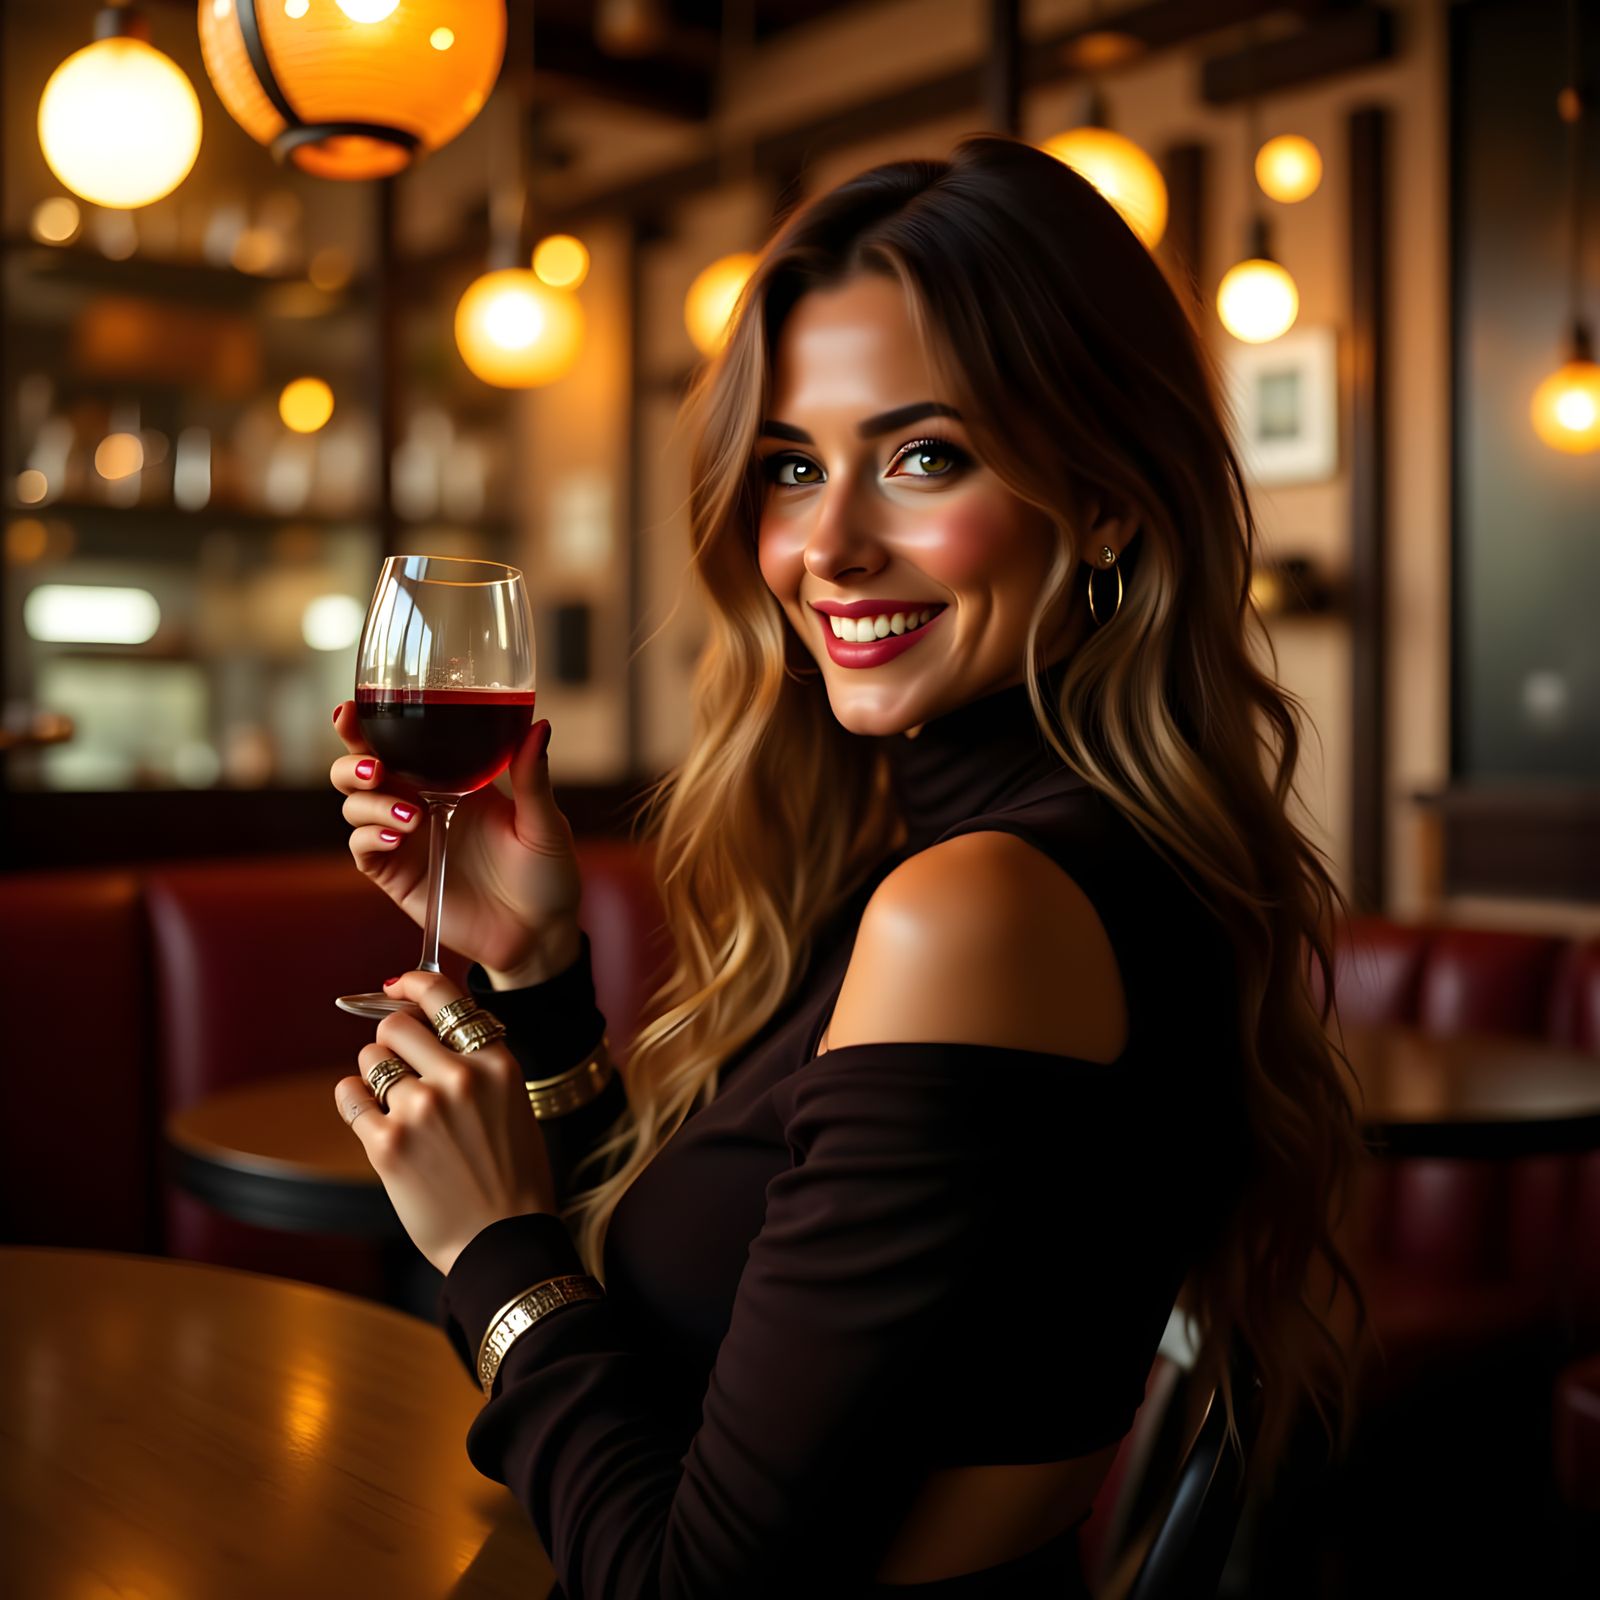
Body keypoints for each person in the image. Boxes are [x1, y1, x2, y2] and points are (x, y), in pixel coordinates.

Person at [327, 133, 1369, 1597]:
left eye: (925, 456)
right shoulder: (960, 865)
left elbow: (686, 1579)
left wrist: (491, 1245)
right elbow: (676, 1364)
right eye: (792, 467)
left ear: (1114, 497)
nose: (828, 542)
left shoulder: (982, 908)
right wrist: (539, 980)